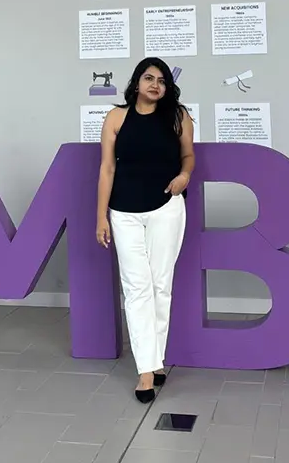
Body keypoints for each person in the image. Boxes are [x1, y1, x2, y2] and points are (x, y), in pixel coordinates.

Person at [95, 57, 195, 403]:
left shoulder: (179, 117)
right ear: (136, 82)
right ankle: (146, 371)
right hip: (123, 211)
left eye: (162, 80)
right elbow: (107, 168)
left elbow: (188, 157)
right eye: (149, 78)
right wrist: (101, 216)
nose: (156, 84)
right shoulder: (116, 118)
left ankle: (156, 359)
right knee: (136, 287)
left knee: (159, 285)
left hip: (166, 206)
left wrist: (184, 177)